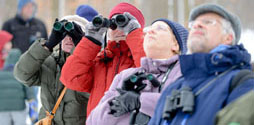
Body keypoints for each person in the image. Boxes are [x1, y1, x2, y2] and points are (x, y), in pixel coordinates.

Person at [148, 3, 254, 125]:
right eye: (192, 24)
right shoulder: (173, 88)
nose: (197, 25)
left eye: (208, 22)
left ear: (228, 38)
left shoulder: (241, 83)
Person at [86, 18, 188, 125]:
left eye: (160, 28)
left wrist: (141, 101)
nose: (150, 31)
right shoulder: (126, 75)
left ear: (176, 45)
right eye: (149, 29)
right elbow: (93, 121)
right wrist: (117, 100)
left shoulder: (184, 74)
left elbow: (186, 108)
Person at [60, 2, 146, 116]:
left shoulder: (143, 58)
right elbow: (70, 78)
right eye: (114, 25)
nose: (119, 30)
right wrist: (90, 40)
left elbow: (149, 73)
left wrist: (134, 35)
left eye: (125, 25)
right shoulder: (101, 60)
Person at [14, 15, 90, 124]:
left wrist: (83, 51)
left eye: (74, 34)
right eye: (65, 34)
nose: (69, 38)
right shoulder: (49, 62)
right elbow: (21, 74)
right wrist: (47, 46)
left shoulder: (92, 63)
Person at [0, 48, 35, 125]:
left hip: (2, 108)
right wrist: (32, 101)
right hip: (18, 108)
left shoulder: (0, 73)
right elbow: (29, 91)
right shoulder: (21, 74)